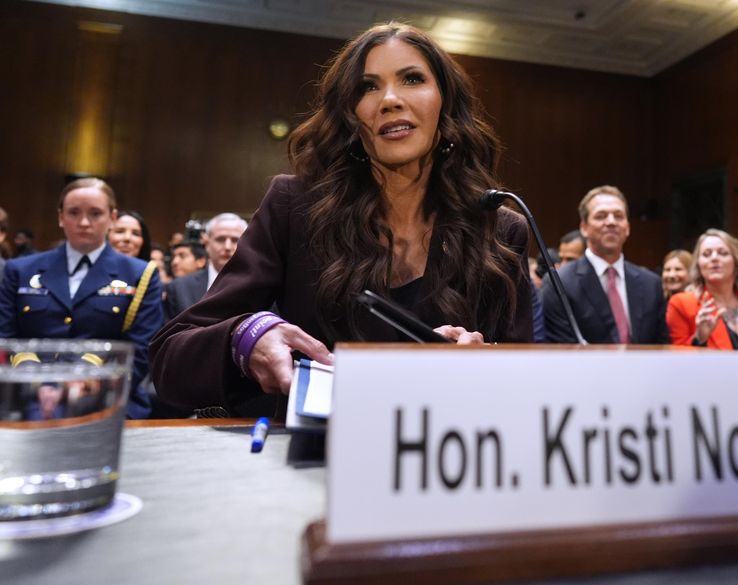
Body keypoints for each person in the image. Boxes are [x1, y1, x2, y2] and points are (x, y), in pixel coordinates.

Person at [150, 23, 532, 416]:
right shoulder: (295, 204)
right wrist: (246, 338)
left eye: (412, 79)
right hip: (316, 464)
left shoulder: (500, 229)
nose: (389, 99)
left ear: (445, 103)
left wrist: (485, 363)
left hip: (445, 459)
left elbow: (531, 383)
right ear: (350, 115)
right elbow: (170, 357)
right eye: (367, 87)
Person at [0, 178, 163, 418]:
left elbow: (140, 348)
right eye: (74, 212)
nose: (84, 222)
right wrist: (34, 381)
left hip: (106, 398)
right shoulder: (20, 270)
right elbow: (5, 336)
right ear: (60, 217)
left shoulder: (139, 274)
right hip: (26, 397)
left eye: (95, 213)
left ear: (112, 218)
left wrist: (86, 383)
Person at [542, 185, 668, 344]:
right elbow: (561, 348)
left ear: (628, 227)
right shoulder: (559, 282)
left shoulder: (651, 284)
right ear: (584, 227)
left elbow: (661, 346)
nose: (611, 222)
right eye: (601, 216)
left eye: (618, 216)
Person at [667, 229, 738, 350]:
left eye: (723, 253)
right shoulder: (682, 304)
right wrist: (699, 339)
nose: (714, 258)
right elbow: (678, 360)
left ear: (736, 262)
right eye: (706, 254)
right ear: (698, 264)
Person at [164, 213, 247, 319]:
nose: (227, 246)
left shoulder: (261, 286)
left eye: (235, 240)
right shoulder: (179, 288)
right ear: (207, 244)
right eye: (220, 239)